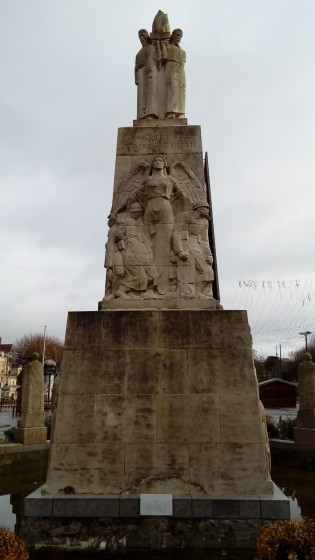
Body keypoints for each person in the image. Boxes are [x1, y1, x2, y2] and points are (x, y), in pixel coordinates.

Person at [132, 155, 182, 294]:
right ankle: (148, 283)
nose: (158, 162)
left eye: (160, 160)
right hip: (150, 208)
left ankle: (163, 284)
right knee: (149, 245)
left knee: (165, 246)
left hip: (166, 207)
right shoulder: (147, 180)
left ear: (165, 164)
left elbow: (180, 194)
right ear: (153, 165)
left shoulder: (170, 179)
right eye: (156, 160)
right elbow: (136, 194)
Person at [113, 202, 158, 299]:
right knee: (140, 275)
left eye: (138, 212)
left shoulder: (142, 223)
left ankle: (143, 291)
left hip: (142, 249)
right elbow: (116, 235)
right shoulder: (126, 222)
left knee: (152, 273)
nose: (135, 214)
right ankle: (121, 291)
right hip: (130, 250)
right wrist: (118, 237)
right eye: (133, 212)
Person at [172, 203, 214, 298]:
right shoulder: (184, 216)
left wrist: (209, 255)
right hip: (185, 243)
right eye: (205, 208)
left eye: (208, 208)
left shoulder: (205, 221)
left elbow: (204, 240)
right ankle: (192, 293)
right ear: (198, 209)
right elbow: (176, 233)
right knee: (192, 270)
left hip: (197, 245)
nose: (207, 210)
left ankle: (199, 292)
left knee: (208, 271)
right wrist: (179, 251)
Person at [135, 29, 159, 120]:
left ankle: (151, 113)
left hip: (150, 74)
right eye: (140, 37)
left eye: (143, 36)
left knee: (151, 94)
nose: (141, 39)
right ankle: (142, 115)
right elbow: (136, 67)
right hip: (141, 76)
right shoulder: (139, 53)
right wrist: (137, 78)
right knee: (142, 96)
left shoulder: (152, 48)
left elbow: (157, 59)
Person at [165, 29, 186, 119]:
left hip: (180, 70)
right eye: (177, 35)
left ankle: (180, 112)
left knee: (181, 89)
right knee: (172, 88)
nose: (179, 38)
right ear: (173, 36)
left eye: (180, 36)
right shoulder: (167, 47)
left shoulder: (182, 52)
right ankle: (171, 111)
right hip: (171, 67)